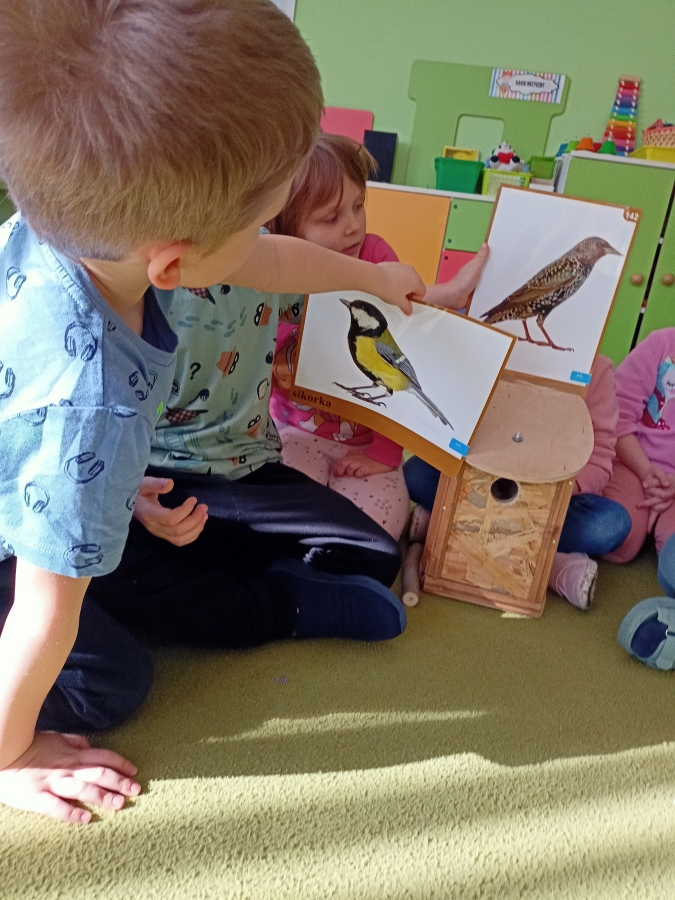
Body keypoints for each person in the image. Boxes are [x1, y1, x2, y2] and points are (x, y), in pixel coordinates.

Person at [0, 0, 425, 825]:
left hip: (49, 481)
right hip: (24, 537)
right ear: (175, 264)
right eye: (259, 220)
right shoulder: (92, 400)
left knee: (127, 564)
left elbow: (267, 263)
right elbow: (46, 612)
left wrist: (372, 279)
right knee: (109, 680)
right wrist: (10, 757)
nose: (265, 237)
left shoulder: (73, 216)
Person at [268, 134, 488, 539]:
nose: (353, 225)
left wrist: (384, 454)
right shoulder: (275, 270)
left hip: (367, 442)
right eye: (331, 218)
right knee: (285, 519)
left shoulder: (374, 256)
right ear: (287, 227)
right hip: (292, 430)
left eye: (359, 206)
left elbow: (404, 347)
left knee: (377, 530)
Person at [404, 354, 631, 609]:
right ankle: (548, 565)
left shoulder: (596, 368)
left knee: (610, 525)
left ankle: (448, 526)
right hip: (478, 481)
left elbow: (599, 456)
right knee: (415, 475)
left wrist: (552, 494)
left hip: (547, 502)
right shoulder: (494, 346)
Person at [607, 329, 675, 668]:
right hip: (633, 462)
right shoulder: (660, 345)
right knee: (618, 537)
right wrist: (647, 473)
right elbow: (617, 416)